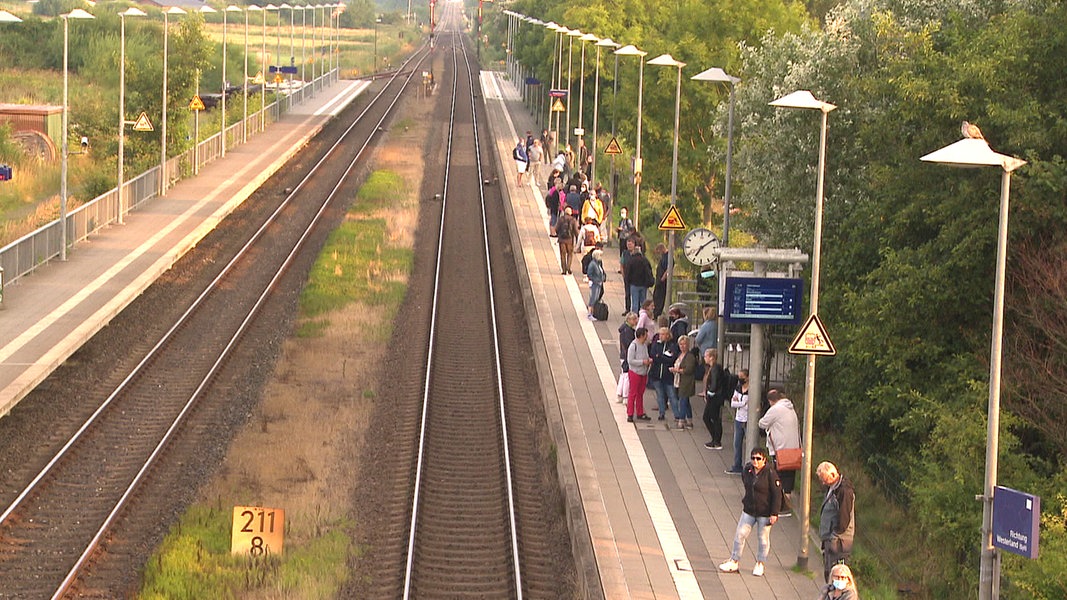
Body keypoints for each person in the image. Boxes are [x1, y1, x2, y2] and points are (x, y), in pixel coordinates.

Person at [718, 446, 782, 577]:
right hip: (749, 510)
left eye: (758, 459)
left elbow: (777, 494)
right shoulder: (747, 470)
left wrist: (774, 513)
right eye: (753, 458)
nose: (755, 461)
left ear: (764, 460)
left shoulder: (770, 473)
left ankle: (760, 563)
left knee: (763, 538)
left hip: (764, 512)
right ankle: (734, 561)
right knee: (740, 534)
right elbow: (746, 483)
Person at [758, 388, 801, 515]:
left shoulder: (776, 410)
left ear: (771, 401)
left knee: (778, 477)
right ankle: (787, 504)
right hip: (793, 449)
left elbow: (762, 423)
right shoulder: (790, 407)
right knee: (789, 478)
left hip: (781, 449)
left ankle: (781, 506)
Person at [818, 461, 856, 583]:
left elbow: (844, 517)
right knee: (829, 571)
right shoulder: (834, 488)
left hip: (839, 541)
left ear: (833, 475)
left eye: (825, 480)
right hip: (833, 538)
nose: (823, 483)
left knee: (836, 574)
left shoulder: (844, 491)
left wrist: (834, 535)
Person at [648, 327, 679, 422]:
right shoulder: (656, 345)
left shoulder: (672, 345)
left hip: (668, 376)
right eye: (660, 334)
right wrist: (662, 357)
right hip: (656, 374)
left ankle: (677, 415)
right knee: (660, 395)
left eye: (662, 334)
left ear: (668, 335)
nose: (660, 336)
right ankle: (661, 413)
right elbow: (653, 355)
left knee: (672, 396)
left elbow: (671, 358)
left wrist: (660, 357)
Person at [626, 327, 653, 423]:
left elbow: (645, 355)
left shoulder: (644, 345)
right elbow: (630, 360)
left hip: (643, 372)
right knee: (633, 393)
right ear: (641, 335)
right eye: (646, 334)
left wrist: (648, 360)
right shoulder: (633, 346)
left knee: (640, 393)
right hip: (635, 372)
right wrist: (642, 362)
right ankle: (630, 413)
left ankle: (640, 412)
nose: (647, 336)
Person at [725, 369, 750, 474]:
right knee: (737, 443)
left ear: (747, 377)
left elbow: (748, 406)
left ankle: (750, 467)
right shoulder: (738, 388)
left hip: (748, 420)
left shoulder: (752, 390)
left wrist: (739, 403)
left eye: (742, 377)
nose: (740, 379)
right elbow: (733, 403)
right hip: (739, 419)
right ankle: (737, 465)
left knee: (750, 443)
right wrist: (742, 403)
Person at [702, 348, 727, 449]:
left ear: (711, 357)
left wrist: (710, 392)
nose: (704, 358)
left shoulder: (715, 368)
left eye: (706, 356)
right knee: (709, 417)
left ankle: (716, 440)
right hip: (715, 397)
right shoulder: (713, 368)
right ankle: (715, 439)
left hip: (715, 398)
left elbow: (715, 382)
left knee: (712, 418)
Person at [671, 334, 697, 429]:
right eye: (681, 344)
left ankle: (681, 420)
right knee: (686, 401)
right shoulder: (680, 355)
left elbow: (689, 369)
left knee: (682, 400)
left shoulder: (690, 356)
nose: (682, 346)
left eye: (684, 344)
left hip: (686, 381)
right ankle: (689, 420)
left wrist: (677, 370)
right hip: (679, 380)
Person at [623, 245, 655, 313]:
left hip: (634, 284)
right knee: (643, 302)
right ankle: (643, 316)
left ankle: (635, 317)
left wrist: (627, 282)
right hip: (643, 285)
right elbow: (649, 271)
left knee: (635, 302)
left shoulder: (631, 261)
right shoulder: (645, 260)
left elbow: (627, 273)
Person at [617, 312, 638, 403]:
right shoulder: (628, 331)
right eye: (634, 319)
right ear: (629, 320)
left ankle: (619, 394)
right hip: (626, 356)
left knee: (623, 375)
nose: (636, 321)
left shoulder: (624, 329)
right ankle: (625, 396)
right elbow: (628, 345)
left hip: (623, 354)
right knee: (627, 376)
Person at [556, 205, 579, 275]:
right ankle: (568, 267)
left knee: (562, 255)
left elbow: (557, 229)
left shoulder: (561, 219)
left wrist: (559, 235)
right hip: (570, 240)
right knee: (570, 254)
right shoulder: (573, 220)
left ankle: (564, 270)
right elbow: (575, 231)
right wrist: (577, 238)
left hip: (562, 240)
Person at [586, 248, 606, 320]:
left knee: (596, 298)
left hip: (599, 284)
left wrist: (603, 278)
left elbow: (601, 272)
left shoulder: (598, 263)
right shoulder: (592, 264)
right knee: (593, 299)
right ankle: (589, 314)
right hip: (595, 283)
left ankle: (594, 313)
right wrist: (596, 280)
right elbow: (589, 274)